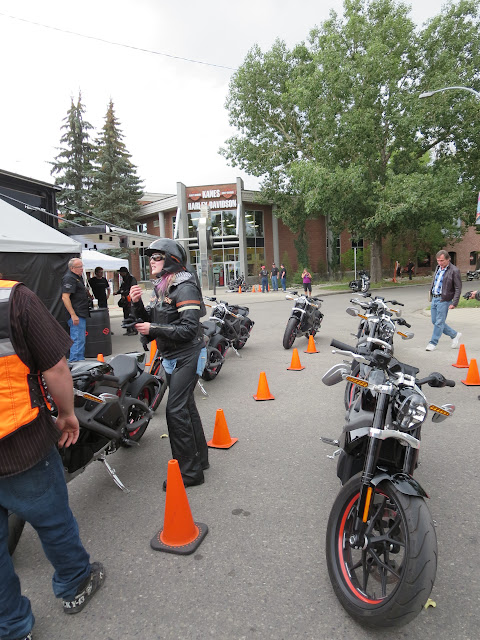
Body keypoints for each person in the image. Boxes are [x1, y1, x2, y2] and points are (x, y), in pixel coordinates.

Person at [0, 278, 105, 640]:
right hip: (20, 443)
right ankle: (76, 584)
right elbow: (56, 368)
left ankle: (12, 628)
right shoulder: (12, 298)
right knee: (53, 521)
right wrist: (66, 414)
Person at [130, 239, 208, 489]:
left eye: (156, 257)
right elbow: (153, 321)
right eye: (150, 257)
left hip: (188, 353)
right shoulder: (163, 285)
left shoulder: (184, 286)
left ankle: (189, 473)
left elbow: (188, 328)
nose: (151, 261)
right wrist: (136, 304)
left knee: (175, 411)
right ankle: (200, 460)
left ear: (171, 259)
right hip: (173, 355)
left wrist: (153, 327)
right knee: (186, 407)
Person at [426, 250, 462, 351]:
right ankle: (454, 335)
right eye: (438, 261)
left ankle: (432, 343)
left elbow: (458, 288)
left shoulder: (454, 270)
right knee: (435, 321)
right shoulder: (438, 268)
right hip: (435, 298)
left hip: (444, 299)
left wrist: (454, 302)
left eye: (442, 260)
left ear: (448, 259)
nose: (440, 263)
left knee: (439, 322)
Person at [61, 257, 90, 362]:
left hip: (81, 312)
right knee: (77, 339)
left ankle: (79, 360)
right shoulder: (69, 278)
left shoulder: (78, 277)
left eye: (82, 266)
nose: (82, 269)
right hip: (76, 314)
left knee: (80, 339)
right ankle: (75, 363)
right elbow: (65, 297)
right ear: (72, 268)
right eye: (79, 267)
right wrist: (73, 314)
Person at [115, 267, 137, 335]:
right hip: (126, 299)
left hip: (130, 299)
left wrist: (124, 292)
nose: (120, 274)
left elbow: (132, 288)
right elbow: (122, 287)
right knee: (126, 314)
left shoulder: (131, 278)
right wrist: (118, 292)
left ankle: (134, 330)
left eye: (121, 272)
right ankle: (129, 329)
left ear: (124, 272)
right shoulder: (125, 279)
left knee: (131, 314)